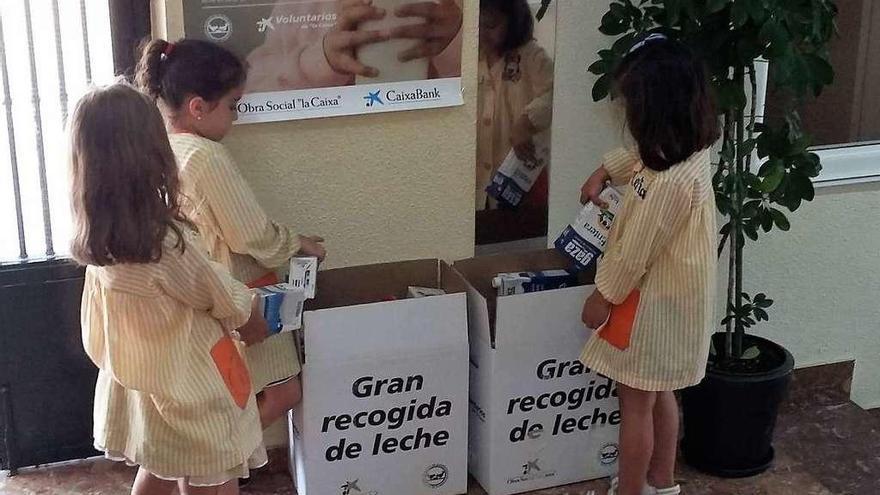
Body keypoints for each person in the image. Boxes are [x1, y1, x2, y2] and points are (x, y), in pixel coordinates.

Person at [71, 83, 267, 495]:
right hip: (192, 389)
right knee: (212, 476)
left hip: (143, 387)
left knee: (158, 467)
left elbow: (95, 332)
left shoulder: (101, 246)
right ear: (152, 153)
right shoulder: (163, 244)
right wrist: (254, 312)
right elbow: (221, 296)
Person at [136, 39, 326, 439]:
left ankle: (210, 460)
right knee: (282, 390)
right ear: (197, 107)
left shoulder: (164, 149)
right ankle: (217, 456)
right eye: (233, 105)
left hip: (206, 298)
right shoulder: (205, 156)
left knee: (232, 396)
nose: (237, 117)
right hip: (242, 295)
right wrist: (298, 244)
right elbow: (249, 233)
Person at [579, 34, 719, 495]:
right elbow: (642, 159)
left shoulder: (670, 184)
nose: (627, 116)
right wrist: (607, 168)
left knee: (635, 402)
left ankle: (633, 490)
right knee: (660, 391)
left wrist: (602, 297)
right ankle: (662, 482)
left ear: (655, 112)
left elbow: (634, 252)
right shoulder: (685, 152)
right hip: (670, 303)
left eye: (633, 107)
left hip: (649, 304)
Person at [245, 0, 463, 92]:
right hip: (329, 165)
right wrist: (321, 61)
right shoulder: (300, 6)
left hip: (425, 158)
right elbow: (247, 93)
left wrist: (462, 39)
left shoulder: (454, 9)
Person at [476, 0, 554, 211]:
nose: (483, 32)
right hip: (475, 183)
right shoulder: (474, 60)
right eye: (479, 24)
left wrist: (527, 122)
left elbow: (556, 94)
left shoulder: (531, 56)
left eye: (491, 26)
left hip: (521, 176)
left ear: (514, 22)